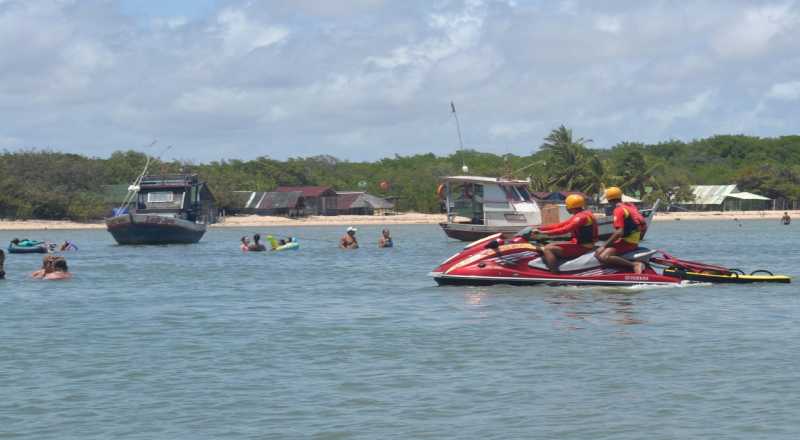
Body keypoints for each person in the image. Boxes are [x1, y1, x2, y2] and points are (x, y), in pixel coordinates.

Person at [532, 194, 598, 273]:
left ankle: (554, 274)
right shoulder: (583, 214)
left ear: (570, 206)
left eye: (567, 205)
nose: (566, 208)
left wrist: (543, 233)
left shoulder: (580, 217)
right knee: (548, 245)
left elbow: (565, 229)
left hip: (583, 247)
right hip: (581, 244)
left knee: (548, 249)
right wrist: (539, 228)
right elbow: (561, 225)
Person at [595, 187, 647, 274]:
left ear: (608, 200)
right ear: (620, 197)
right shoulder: (629, 206)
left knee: (603, 256)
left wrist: (603, 246)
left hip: (628, 241)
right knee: (598, 249)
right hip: (633, 240)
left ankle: (634, 265)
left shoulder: (618, 210)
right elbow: (643, 225)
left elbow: (619, 232)